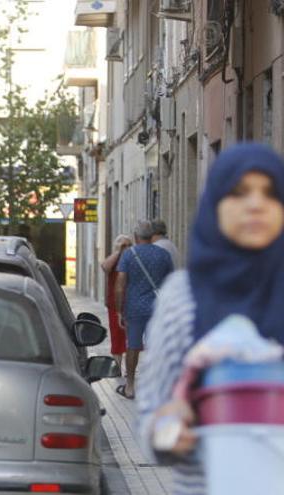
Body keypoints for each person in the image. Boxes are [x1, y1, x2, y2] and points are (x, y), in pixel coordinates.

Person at [138, 143, 284, 493]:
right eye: (238, 192)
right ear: (215, 205)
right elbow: (151, 417)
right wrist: (169, 430)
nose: (255, 204)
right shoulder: (182, 296)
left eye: (270, 193)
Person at [115, 220, 174, 399]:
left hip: (134, 308)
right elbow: (172, 282)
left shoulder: (128, 254)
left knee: (133, 346)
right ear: (152, 236)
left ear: (136, 236)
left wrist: (119, 310)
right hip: (158, 307)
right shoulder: (163, 254)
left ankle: (130, 386)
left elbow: (119, 285)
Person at [101, 234, 133, 371]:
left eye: (128, 245)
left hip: (132, 303)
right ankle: (117, 367)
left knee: (131, 338)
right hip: (115, 304)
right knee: (116, 337)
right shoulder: (114, 259)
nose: (125, 248)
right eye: (122, 245)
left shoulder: (133, 259)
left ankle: (130, 368)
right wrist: (118, 252)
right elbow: (105, 267)